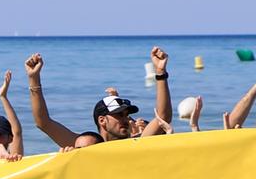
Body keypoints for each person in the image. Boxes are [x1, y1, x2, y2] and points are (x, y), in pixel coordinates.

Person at [24, 48, 172, 149]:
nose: (126, 120)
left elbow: (163, 117)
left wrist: (160, 72)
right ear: (102, 120)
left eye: (126, 115)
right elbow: (43, 123)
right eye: (119, 115)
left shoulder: (136, 143)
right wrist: (34, 79)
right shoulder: (87, 145)